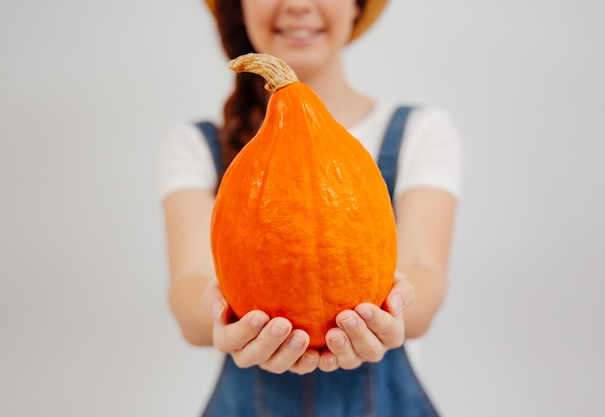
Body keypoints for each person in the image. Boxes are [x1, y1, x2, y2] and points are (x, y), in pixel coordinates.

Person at [160, 0, 462, 416]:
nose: (298, 4)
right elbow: (188, 285)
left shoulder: (421, 131)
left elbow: (424, 272)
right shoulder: (196, 146)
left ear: (357, 6)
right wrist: (220, 311)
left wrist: (396, 308)